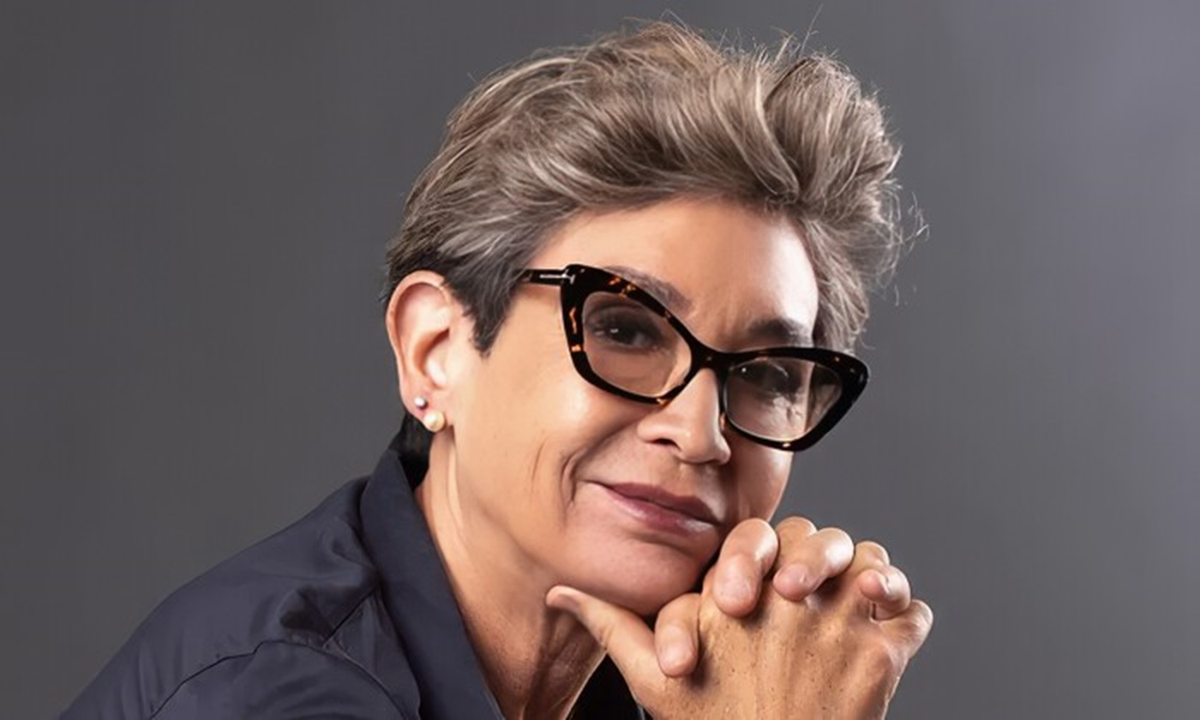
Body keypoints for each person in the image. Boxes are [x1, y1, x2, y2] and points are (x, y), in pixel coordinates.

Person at [62, 21, 932, 719]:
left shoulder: (659, 685)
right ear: (435, 351)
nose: (701, 433)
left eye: (768, 374)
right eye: (626, 329)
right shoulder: (272, 691)